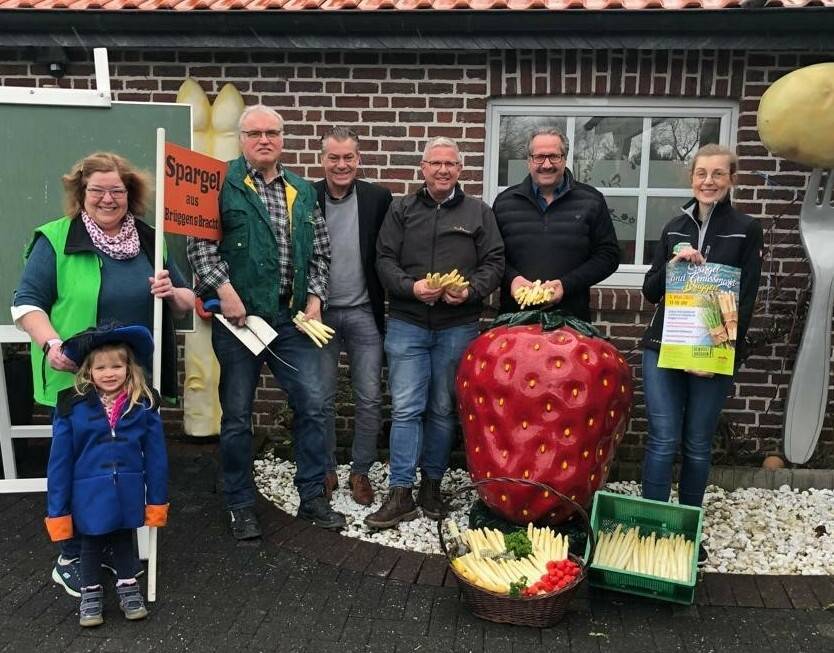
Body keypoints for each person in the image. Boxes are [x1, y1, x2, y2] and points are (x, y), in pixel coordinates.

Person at [12, 152, 193, 598]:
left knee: (122, 466)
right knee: (77, 469)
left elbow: (190, 302)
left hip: (131, 383)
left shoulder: (152, 240)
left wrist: (173, 292)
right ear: (81, 194)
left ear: (131, 194)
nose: (107, 198)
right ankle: (70, 556)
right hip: (75, 379)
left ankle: (113, 547)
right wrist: (52, 343)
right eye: (97, 190)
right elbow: (25, 304)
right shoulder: (55, 239)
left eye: (117, 190)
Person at [187, 105, 345, 539]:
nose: (263, 140)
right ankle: (240, 504)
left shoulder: (301, 190)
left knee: (312, 405)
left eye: (271, 132)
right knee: (237, 416)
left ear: (282, 138)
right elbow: (199, 247)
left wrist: (315, 298)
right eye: (254, 133)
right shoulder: (218, 183)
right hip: (238, 323)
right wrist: (225, 291)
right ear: (241, 139)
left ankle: (312, 497)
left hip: (291, 320)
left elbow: (320, 253)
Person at [369, 137, 504, 529]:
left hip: (456, 326)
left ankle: (432, 484)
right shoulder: (401, 210)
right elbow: (384, 259)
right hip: (408, 322)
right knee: (407, 408)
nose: (443, 170)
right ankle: (400, 492)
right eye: (435, 163)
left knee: (443, 409)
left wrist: (473, 290)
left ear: (460, 170)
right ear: (423, 168)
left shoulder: (479, 212)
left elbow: (495, 261)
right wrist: (410, 287)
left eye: (450, 164)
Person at [640, 144, 763, 560]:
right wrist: (673, 266)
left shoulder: (747, 229)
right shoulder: (674, 226)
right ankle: (652, 530)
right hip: (664, 348)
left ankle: (688, 533)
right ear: (691, 178)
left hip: (713, 354)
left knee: (696, 444)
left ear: (731, 179)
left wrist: (717, 355)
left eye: (718, 174)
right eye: (701, 174)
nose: (708, 182)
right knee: (662, 440)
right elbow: (650, 291)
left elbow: (745, 300)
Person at [44, 324, 168, 627]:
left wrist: (157, 500)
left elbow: (156, 458)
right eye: (101, 367)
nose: (109, 372)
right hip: (87, 494)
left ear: (129, 367)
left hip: (127, 490)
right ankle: (90, 594)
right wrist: (58, 511)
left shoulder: (143, 404)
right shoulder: (72, 408)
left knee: (124, 540)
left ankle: (128, 589)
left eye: (117, 365)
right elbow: (59, 463)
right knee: (91, 545)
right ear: (89, 371)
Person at [314, 127, 392, 506]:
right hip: (321, 314)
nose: (341, 165)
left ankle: (360, 470)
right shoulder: (306, 196)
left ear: (359, 159)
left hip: (364, 311)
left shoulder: (379, 198)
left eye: (348, 157)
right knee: (322, 397)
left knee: (370, 397)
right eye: (334, 157)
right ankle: (327, 468)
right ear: (323, 159)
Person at [492, 127, 620, 320]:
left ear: (564, 159)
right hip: (514, 320)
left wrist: (565, 285)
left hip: (571, 320)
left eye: (554, 156)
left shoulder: (591, 200)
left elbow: (608, 256)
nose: (546, 164)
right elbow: (491, 256)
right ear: (529, 161)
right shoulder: (504, 203)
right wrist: (512, 279)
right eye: (539, 157)